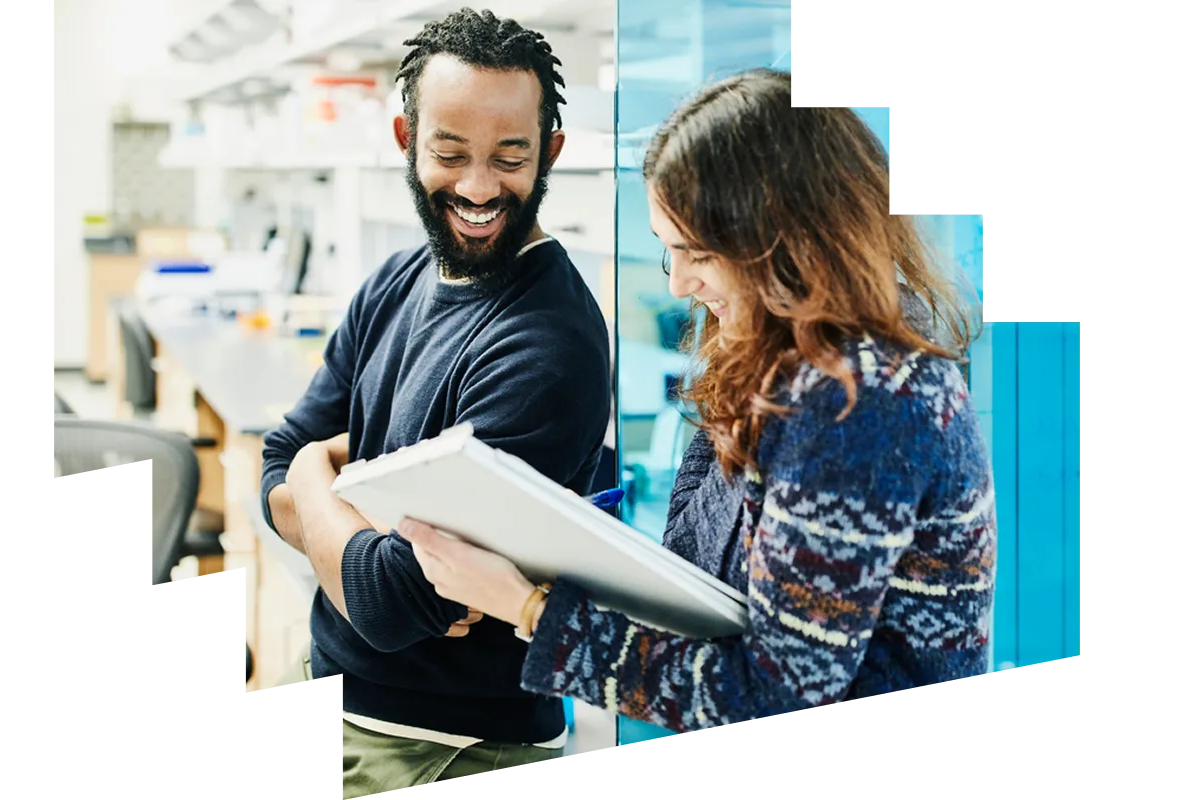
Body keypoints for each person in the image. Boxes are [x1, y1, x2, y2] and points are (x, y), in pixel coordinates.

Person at [399, 68, 996, 731]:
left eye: (700, 254)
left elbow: (779, 693)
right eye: (670, 251)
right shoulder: (784, 359)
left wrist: (531, 609)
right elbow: (704, 571)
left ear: (791, 241)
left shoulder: (861, 402)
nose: (680, 284)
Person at [259, 9, 611, 795]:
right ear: (406, 139)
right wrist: (340, 526)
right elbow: (270, 474)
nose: (480, 187)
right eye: (450, 154)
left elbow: (385, 601)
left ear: (550, 152)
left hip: (446, 745)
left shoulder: (547, 345)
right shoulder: (394, 281)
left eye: (510, 157)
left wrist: (317, 476)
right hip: (335, 684)